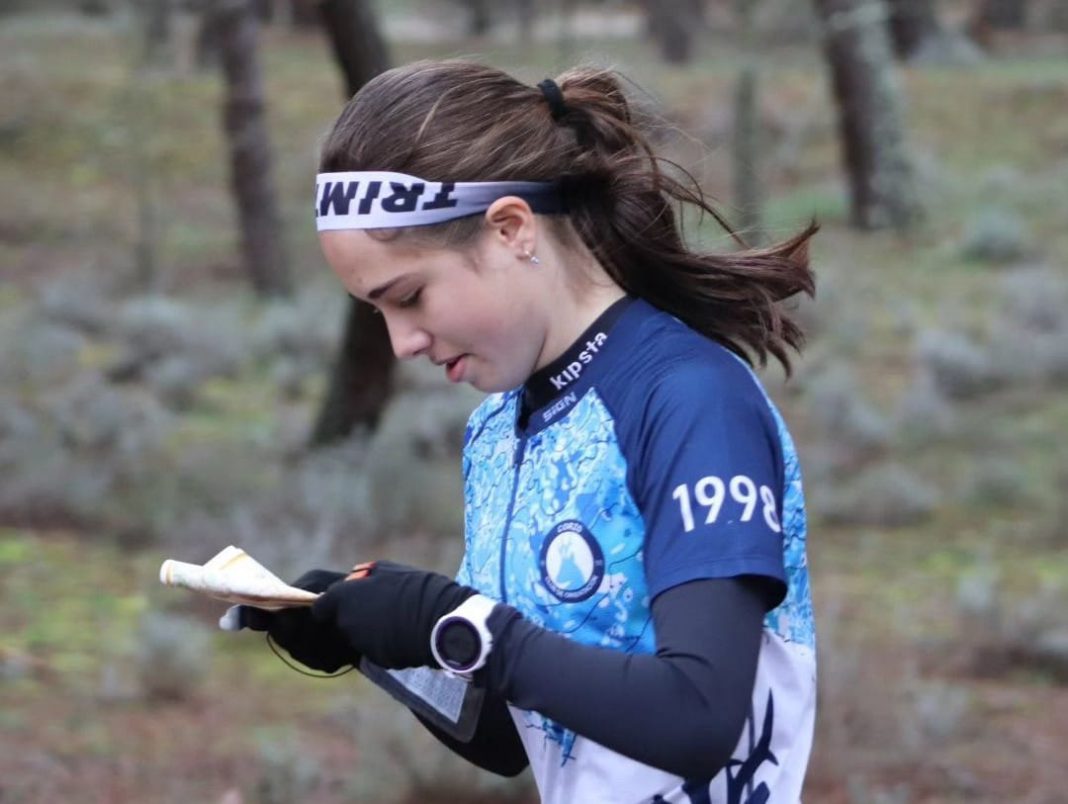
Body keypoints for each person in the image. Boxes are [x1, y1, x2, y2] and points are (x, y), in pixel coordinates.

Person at [236, 60, 818, 804]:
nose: (401, 343)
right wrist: (375, 642)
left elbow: (698, 718)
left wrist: (457, 621)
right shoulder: (498, 430)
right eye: (375, 311)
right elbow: (507, 735)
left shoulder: (689, 398)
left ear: (510, 228)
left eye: (408, 296)